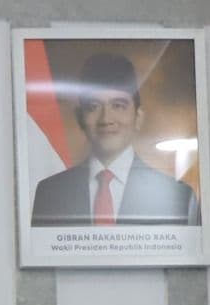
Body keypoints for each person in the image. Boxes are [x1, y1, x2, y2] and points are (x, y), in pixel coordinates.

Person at [29, 51, 200, 227]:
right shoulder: (49, 193)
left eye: (118, 106)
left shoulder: (180, 198)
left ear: (138, 117)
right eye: (94, 106)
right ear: (80, 118)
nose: (106, 119)